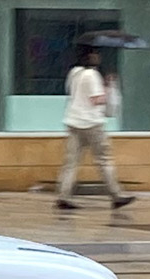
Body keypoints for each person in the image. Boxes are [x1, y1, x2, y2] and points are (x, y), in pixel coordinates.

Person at [56, 45, 134, 211]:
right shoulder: (91, 75)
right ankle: (116, 195)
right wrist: (108, 88)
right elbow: (96, 100)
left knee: (71, 162)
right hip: (92, 123)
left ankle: (63, 196)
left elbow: (72, 93)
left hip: (73, 120)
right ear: (90, 56)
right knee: (104, 160)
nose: (98, 56)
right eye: (96, 53)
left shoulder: (74, 73)